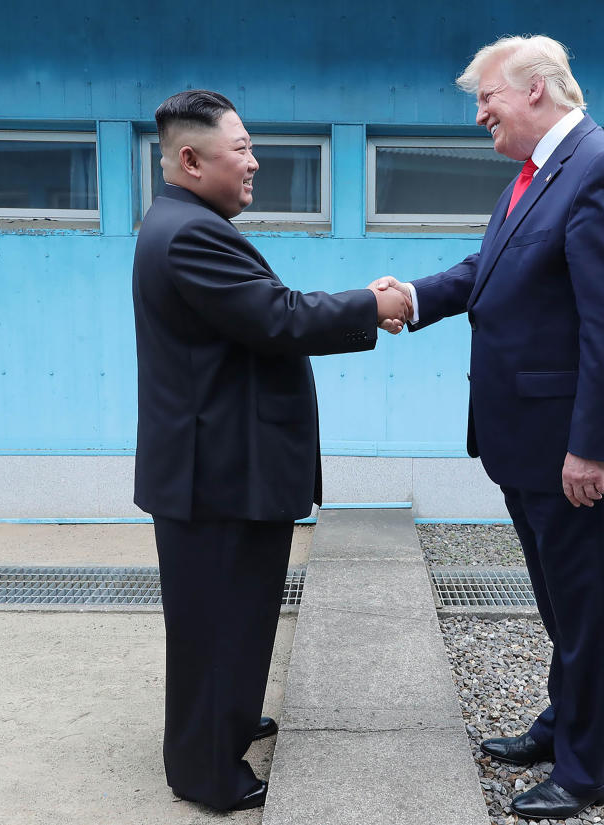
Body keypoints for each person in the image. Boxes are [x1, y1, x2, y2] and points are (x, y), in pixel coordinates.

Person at [375, 35, 604, 820]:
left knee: (589, 613)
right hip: (526, 443)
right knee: (561, 604)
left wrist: (592, 446)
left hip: (574, 449)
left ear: (536, 90)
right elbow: (486, 269)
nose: (480, 115)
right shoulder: (534, 177)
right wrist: (414, 296)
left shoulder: (603, 169)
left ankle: (590, 769)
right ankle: (560, 723)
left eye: (486, 98)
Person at [132, 89, 411, 811]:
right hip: (217, 474)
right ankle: (205, 772)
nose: (256, 162)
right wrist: (371, 303)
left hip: (221, 466)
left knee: (235, 614)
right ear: (190, 161)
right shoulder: (190, 233)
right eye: (242, 150)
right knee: (218, 623)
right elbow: (276, 316)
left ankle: (226, 720)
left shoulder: (184, 221)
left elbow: (259, 315)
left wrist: (359, 303)